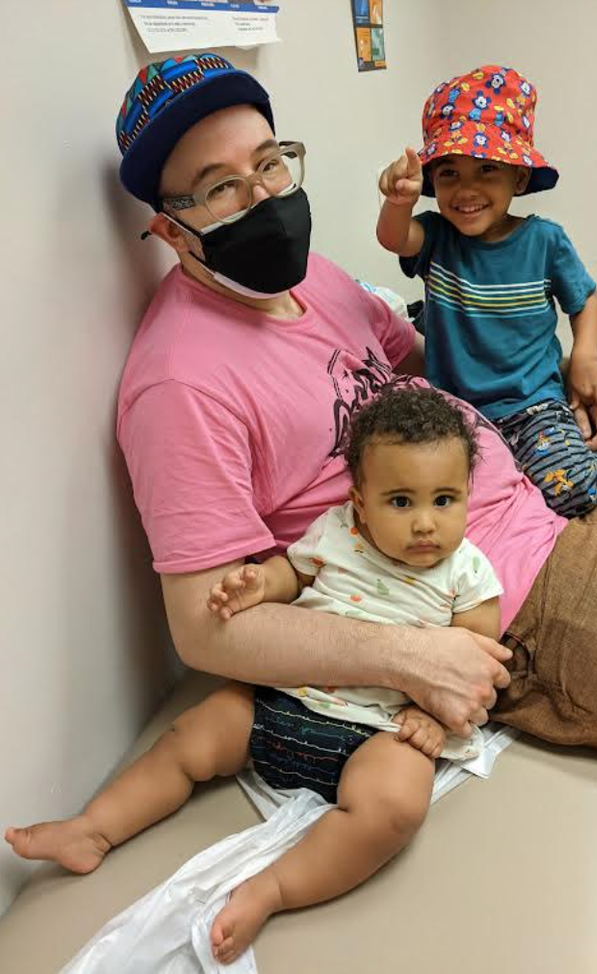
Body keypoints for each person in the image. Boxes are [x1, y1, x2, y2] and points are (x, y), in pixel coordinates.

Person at [7, 55, 597, 930]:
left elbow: (428, 365)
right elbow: (202, 626)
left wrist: (560, 402)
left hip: (542, 485)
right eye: (220, 187)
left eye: (270, 163)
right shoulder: (180, 385)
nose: (264, 197)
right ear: (169, 227)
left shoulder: (314, 278)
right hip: (500, 590)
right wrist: (411, 658)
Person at [6, 388, 503, 965]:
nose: (425, 523)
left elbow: (475, 654)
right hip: (283, 698)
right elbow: (291, 573)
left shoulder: (467, 572)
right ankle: (93, 829)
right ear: (360, 503)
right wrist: (259, 585)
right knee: (193, 736)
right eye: (400, 501)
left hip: (381, 730)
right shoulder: (337, 533)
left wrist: (429, 716)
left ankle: (273, 889)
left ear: (467, 495)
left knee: (395, 807)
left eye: (445, 500)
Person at [377, 65, 597, 517]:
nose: (466, 189)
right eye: (448, 173)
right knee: (452, 504)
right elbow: (393, 238)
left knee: (567, 490)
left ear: (519, 179)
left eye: (487, 170)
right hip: (454, 410)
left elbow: (585, 301)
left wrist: (584, 358)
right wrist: (399, 200)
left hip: (532, 405)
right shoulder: (435, 237)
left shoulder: (544, 241)